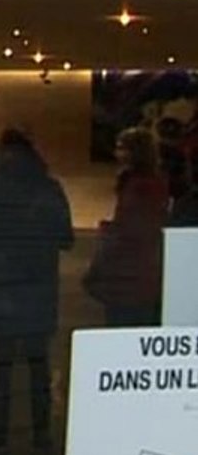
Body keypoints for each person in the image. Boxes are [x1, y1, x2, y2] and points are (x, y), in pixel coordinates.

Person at [0, 129, 74, 450]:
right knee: (38, 364)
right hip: (39, 287)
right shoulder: (49, 188)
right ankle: (41, 431)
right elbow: (66, 239)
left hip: (3, 288)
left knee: (1, 366)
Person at [86, 127, 169, 326]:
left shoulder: (139, 188)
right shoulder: (150, 184)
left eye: (122, 148)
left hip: (130, 275)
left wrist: (108, 233)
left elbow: (130, 230)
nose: (117, 153)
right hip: (141, 274)